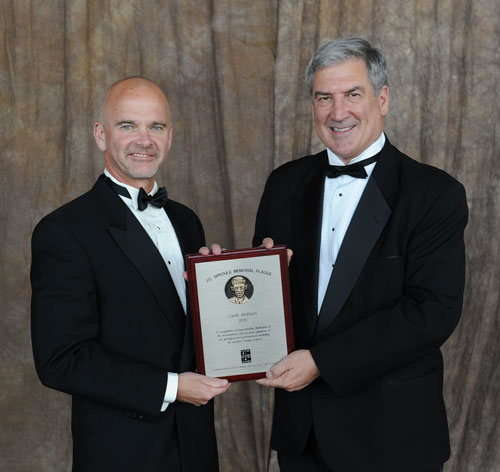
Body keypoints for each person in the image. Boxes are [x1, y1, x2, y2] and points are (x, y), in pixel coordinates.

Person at [253, 38, 468, 472]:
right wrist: (225, 283)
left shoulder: (433, 194)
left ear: (382, 98)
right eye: (323, 98)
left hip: (391, 437)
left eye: (353, 94)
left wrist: (321, 362)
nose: (338, 112)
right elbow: (263, 292)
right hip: (303, 435)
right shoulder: (284, 184)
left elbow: (431, 313)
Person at [31, 76, 230, 472]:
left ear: (170, 135)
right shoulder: (64, 231)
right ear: (101, 135)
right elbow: (61, 359)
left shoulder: (187, 221)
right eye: (128, 126)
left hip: (196, 448)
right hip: (122, 453)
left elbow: (183, 331)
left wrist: (221, 287)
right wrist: (172, 388)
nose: (144, 140)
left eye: (155, 126)